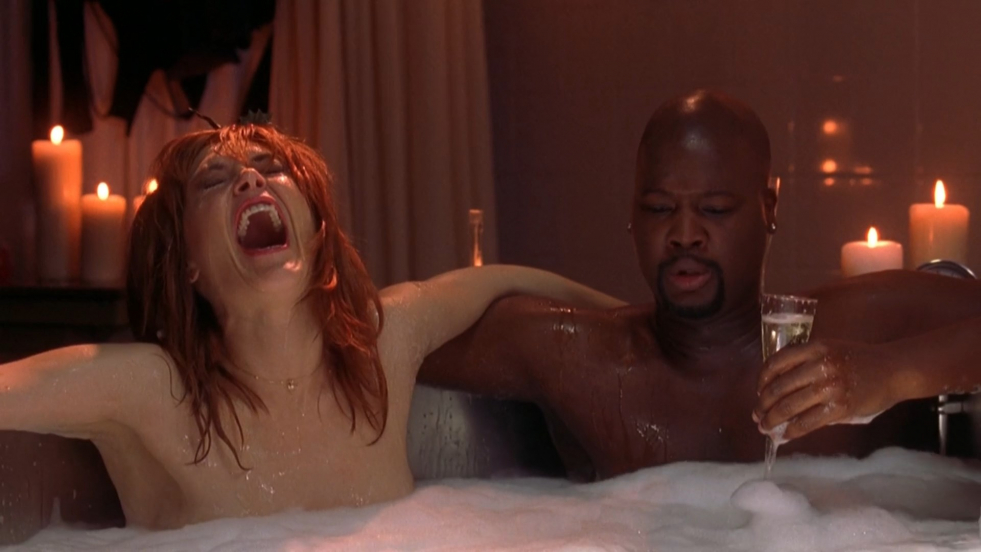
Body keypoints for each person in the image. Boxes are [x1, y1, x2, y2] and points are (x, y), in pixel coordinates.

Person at [0, 123, 624, 529]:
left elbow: (505, 280)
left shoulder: (385, 343)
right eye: (214, 181)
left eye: (271, 169)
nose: (250, 179)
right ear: (186, 261)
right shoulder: (151, 391)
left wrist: (632, 317)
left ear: (317, 232)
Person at [420, 90, 968, 481]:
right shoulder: (578, 356)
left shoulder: (857, 328)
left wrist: (891, 373)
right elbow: (388, 338)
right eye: (660, 209)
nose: (684, 234)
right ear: (632, 215)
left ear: (768, 208)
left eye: (715, 209)